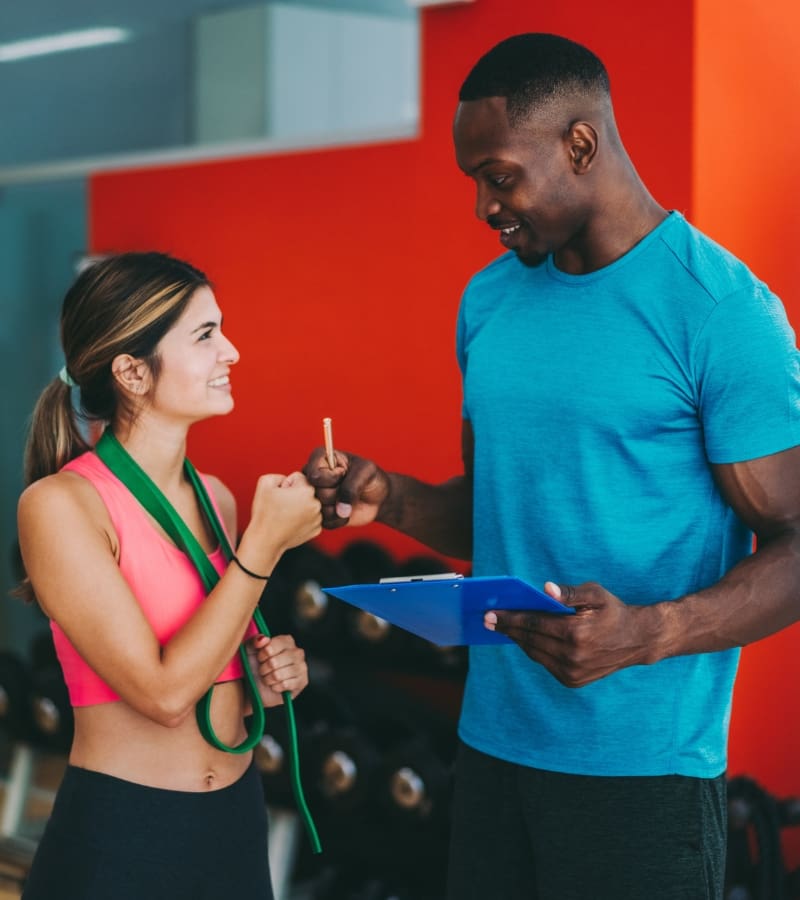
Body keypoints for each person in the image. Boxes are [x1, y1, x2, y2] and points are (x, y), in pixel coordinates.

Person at [304, 33, 800, 900]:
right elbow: (497, 513)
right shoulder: (489, 300)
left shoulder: (721, 312)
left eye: (499, 176)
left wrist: (650, 631)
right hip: (492, 750)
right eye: (477, 184)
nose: (484, 208)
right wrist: (389, 497)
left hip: (641, 774)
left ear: (579, 144)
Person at [16, 252, 322, 899]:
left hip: (234, 819)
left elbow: (208, 668)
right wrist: (264, 548)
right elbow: (161, 696)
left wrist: (260, 684)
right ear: (131, 371)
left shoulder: (217, 497)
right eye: (206, 335)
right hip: (125, 830)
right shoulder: (60, 506)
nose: (232, 351)